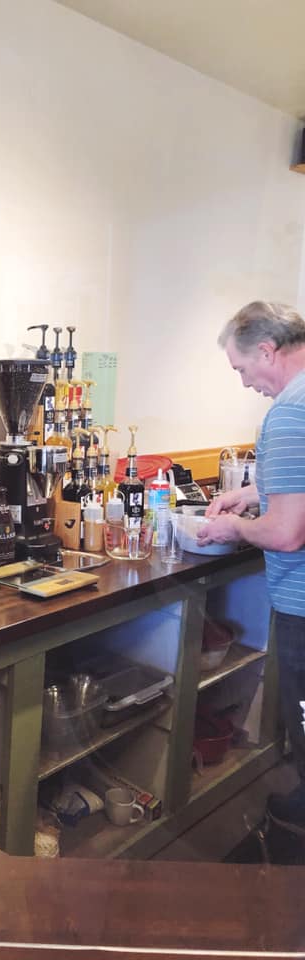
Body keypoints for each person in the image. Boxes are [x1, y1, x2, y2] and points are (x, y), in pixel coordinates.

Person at [200, 300, 305, 834]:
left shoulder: (288, 411)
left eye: (242, 368)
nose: (245, 383)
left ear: (267, 350)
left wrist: (234, 529)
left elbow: (287, 533)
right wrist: (249, 494)